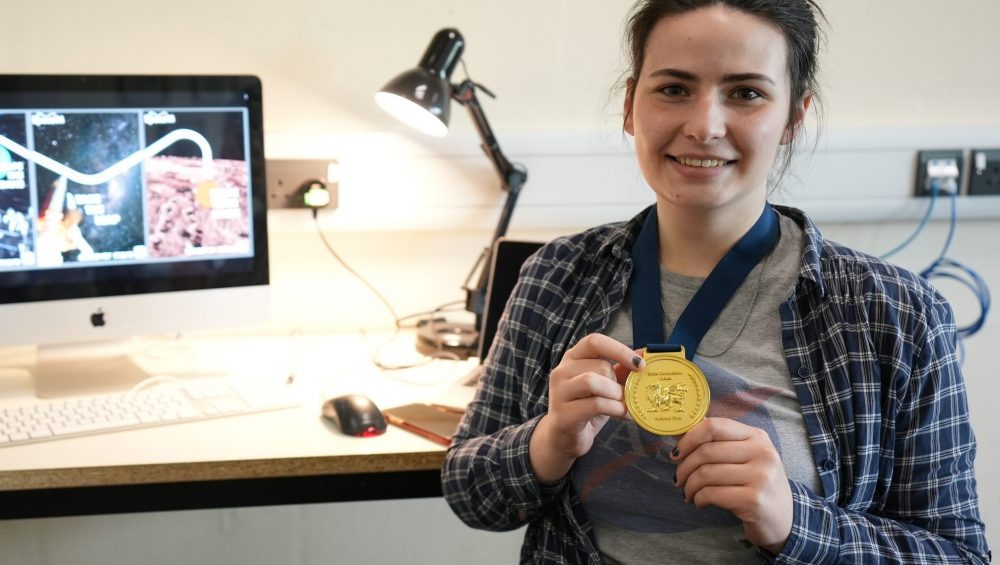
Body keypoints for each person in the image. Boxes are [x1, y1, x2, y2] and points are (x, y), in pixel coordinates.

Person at [441, 0, 991, 563]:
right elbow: (469, 495)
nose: (704, 126)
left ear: (793, 118)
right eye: (674, 89)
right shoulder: (558, 276)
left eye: (746, 93)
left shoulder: (896, 314)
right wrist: (547, 442)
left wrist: (795, 523)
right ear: (630, 106)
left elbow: (957, 553)